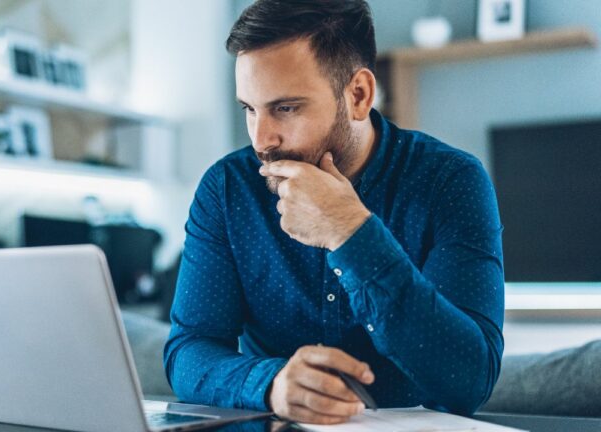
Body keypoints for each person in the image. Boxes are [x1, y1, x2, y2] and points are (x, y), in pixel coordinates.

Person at [164, 0, 505, 425]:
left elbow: (468, 382)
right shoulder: (227, 189)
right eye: (249, 109)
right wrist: (269, 384)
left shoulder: (451, 181)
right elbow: (188, 350)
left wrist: (351, 232)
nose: (261, 139)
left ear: (358, 95)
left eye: (286, 108)